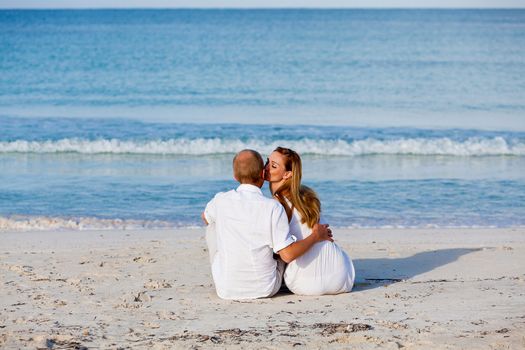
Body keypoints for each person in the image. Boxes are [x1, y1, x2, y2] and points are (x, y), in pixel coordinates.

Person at [201, 149, 333, 300]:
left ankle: (231, 272)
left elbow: (205, 217)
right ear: (262, 175)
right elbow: (287, 255)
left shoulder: (220, 200)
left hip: (226, 290)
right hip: (264, 288)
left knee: (212, 226)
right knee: (276, 240)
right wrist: (316, 235)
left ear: (235, 176)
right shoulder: (273, 207)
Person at [265, 146, 355, 295]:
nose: (267, 168)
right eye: (267, 162)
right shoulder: (306, 196)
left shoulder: (276, 205)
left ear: (287, 174)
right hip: (343, 278)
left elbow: (285, 255)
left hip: (305, 284)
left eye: (273, 166)